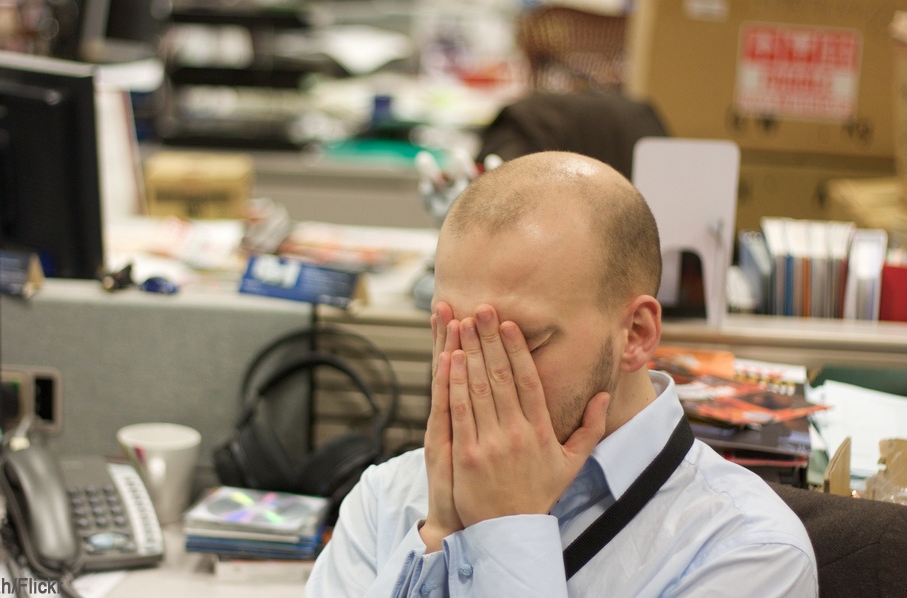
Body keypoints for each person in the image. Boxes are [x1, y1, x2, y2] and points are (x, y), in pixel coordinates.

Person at [304, 151, 817, 597]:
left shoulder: (749, 553)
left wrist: (508, 529)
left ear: (636, 333)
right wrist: (439, 533)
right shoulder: (387, 498)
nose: (477, 374)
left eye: (523, 342)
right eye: (453, 338)